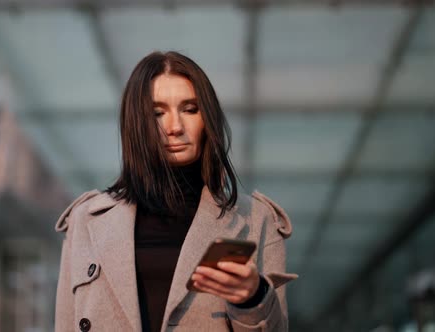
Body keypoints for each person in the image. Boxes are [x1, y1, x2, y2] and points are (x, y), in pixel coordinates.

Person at [54, 51, 297, 332]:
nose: (175, 127)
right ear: (136, 123)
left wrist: (252, 299)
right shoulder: (87, 220)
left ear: (208, 119)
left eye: (190, 109)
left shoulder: (256, 220)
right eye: (157, 113)